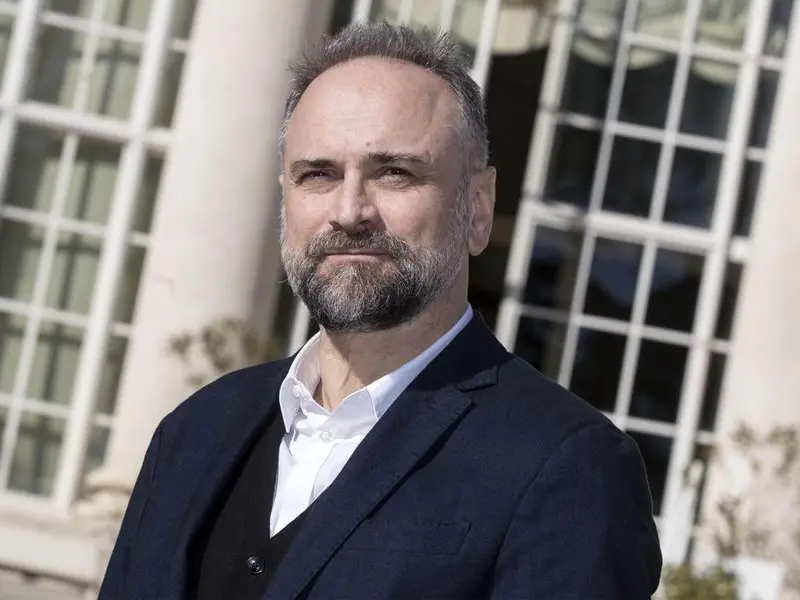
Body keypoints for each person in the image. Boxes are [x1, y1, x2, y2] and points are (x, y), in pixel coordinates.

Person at [99, 21, 662, 600]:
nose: (349, 211)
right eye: (318, 174)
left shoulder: (566, 466)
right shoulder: (195, 430)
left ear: (477, 209)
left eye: (395, 173)